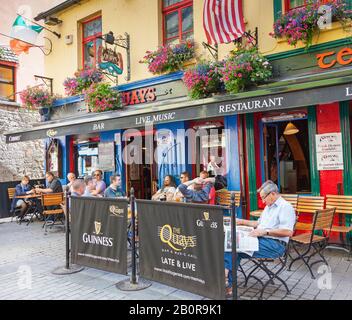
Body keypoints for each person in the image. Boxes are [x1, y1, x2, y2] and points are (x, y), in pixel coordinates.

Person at [224, 180, 296, 295]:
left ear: (273, 194)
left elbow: (288, 232)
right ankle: (228, 285)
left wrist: (265, 232)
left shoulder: (285, 207)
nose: (262, 201)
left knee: (234, 245)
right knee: (232, 246)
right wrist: (240, 221)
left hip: (275, 245)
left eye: (264, 197)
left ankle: (225, 279)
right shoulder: (269, 206)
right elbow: (258, 224)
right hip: (264, 239)